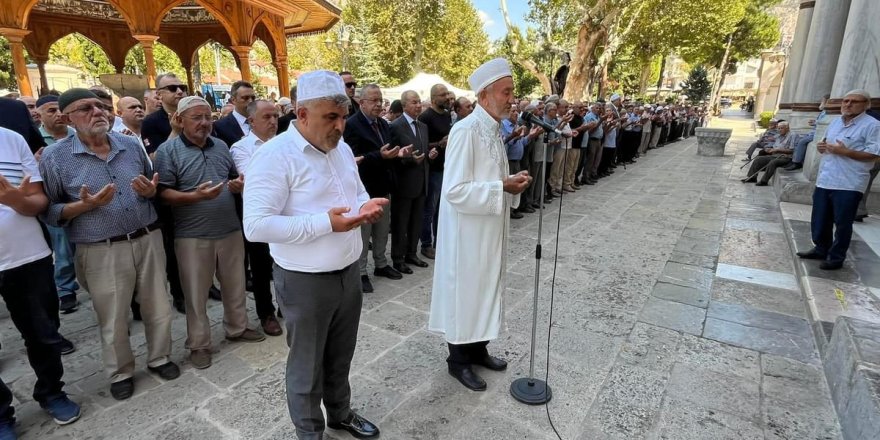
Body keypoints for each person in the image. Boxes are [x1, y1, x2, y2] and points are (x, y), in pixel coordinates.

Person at [243, 70, 384, 440]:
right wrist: (325, 224)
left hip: (348, 271)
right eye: (330, 118)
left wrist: (364, 206)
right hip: (304, 280)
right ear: (301, 115)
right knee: (306, 366)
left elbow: (354, 193)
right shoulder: (274, 156)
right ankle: (310, 432)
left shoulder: (340, 150)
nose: (340, 126)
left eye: (343, 116)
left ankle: (340, 413)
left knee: (340, 355)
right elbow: (255, 226)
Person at [40, 88, 180, 400]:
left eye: (101, 106)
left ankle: (160, 357)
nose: (98, 112)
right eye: (86, 108)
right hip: (100, 248)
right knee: (114, 315)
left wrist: (148, 193)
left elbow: (151, 185)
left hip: (147, 236)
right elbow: (48, 211)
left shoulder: (130, 145)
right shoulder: (55, 156)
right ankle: (121, 372)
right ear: (67, 118)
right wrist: (83, 207)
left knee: (158, 304)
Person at [429, 58, 531, 391]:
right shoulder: (465, 130)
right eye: (506, 92)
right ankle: (458, 362)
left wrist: (509, 180)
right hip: (467, 235)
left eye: (512, 92)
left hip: (489, 230)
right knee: (467, 293)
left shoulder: (493, 129)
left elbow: (488, 178)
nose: (511, 98)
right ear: (485, 96)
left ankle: (478, 349)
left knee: (486, 289)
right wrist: (502, 186)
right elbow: (455, 190)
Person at [154, 96, 265, 370]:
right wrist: (195, 196)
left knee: (235, 284)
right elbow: (163, 194)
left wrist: (236, 186)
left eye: (208, 117)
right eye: (197, 118)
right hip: (192, 235)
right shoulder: (168, 151)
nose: (204, 123)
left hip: (229, 228)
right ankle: (199, 344)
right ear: (180, 121)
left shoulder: (222, 146)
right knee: (196, 294)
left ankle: (237, 328)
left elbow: (229, 179)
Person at [0, 127, 82, 437]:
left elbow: (38, 201)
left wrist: (13, 200)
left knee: (44, 335)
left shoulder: (10, 139)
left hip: (27, 257)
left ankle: (51, 393)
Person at [796, 90, 880, 270]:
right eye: (846, 101)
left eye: (854, 102)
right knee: (820, 218)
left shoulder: (872, 125)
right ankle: (821, 248)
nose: (848, 104)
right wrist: (821, 146)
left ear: (866, 105)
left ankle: (836, 257)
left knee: (842, 222)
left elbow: (874, 154)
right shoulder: (835, 122)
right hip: (826, 178)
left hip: (849, 182)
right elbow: (826, 143)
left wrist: (846, 152)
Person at [343, 85, 406, 293]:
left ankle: (381, 264)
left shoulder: (383, 124)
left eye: (380, 100)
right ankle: (360, 272)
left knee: (381, 230)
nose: (379, 104)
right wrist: (379, 156)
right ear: (362, 103)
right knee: (364, 233)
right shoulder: (352, 125)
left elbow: (388, 151)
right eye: (374, 101)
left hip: (384, 185)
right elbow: (352, 159)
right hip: (364, 188)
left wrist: (399, 153)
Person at [229, 99, 283, 336]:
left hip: (285, 211)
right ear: (251, 121)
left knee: (284, 261)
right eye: (267, 117)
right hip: (259, 214)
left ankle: (286, 304)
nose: (273, 121)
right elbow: (252, 181)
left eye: (275, 116)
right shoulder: (241, 148)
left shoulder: (286, 143)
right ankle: (266, 312)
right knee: (261, 266)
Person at [35, 95, 81, 314]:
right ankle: (66, 290)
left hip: (82, 198)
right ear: (39, 115)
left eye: (58, 110)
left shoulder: (78, 135)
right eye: (50, 111)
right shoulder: (35, 139)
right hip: (55, 201)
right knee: (62, 248)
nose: (56, 115)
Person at [388, 90, 431, 272]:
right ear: (404, 105)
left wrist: (430, 155)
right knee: (401, 222)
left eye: (419, 102)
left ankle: (412, 253)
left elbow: (423, 151)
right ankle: (398, 258)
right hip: (404, 183)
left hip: (422, 181)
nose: (418, 105)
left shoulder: (423, 127)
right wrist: (409, 159)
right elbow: (393, 155)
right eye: (414, 102)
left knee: (416, 221)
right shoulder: (396, 126)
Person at [418, 84, 453, 260]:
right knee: (429, 208)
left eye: (447, 93)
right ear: (433, 98)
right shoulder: (425, 117)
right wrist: (438, 144)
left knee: (442, 208)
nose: (447, 97)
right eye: (442, 94)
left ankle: (439, 241)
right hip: (432, 169)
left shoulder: (447, 115)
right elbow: (422, 144)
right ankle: (425, 244)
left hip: (446, 167)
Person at [742, 121, 796, 186]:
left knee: (773, 162)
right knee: (758, 159)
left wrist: (777, 150)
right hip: (775, 155)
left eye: (782, 128)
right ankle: (752, 178)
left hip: (786, 157)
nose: (779, 130)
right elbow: (774, 146)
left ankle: (764, 181)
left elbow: (792, 150)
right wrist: (769, 149)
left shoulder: (792, 135)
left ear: (787, 128)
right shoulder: (779, 135)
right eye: (778, 128)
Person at [213, 80, 255, 147]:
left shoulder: (262, 121)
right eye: (245, 98)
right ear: (233, 100)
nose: (250, 101)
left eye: (253, 98)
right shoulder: (220, 126)